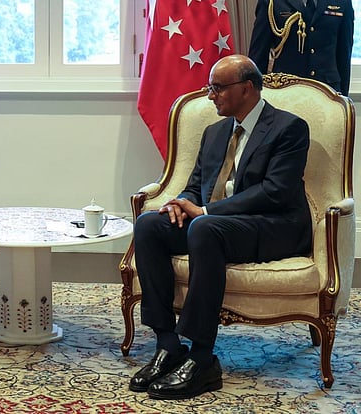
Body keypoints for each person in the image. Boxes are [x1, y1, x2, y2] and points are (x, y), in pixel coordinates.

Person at [128, 55, 312, 400]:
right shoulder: (214, 132)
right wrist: (180, 203)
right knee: (150, 225)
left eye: (218, 88)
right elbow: (195, 184)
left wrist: (205, 211)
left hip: (272, 226)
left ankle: (202, 359)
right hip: (216, 224)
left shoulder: (289, 128)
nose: (211, 95)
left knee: (204, 228)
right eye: (210, 88)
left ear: (246, 89)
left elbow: (274, 192)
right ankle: (168, 344)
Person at [248, 0, 354, 95]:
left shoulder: (342, 2)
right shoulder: (272, 2)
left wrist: (343, 100)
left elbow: (344, 55)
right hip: (286, 91)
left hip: (328, 91)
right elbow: (258, 55)